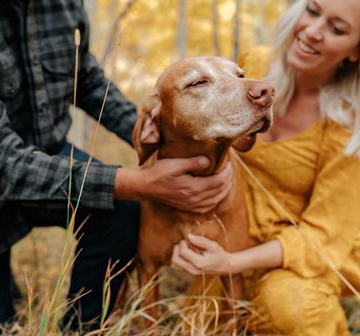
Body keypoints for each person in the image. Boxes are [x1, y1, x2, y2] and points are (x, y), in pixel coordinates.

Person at [0, 0, 233, 332]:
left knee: (122, 211)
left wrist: (156, 132)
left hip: (48, 151)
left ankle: (82, 325)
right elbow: (5, 165)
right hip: (6, 165)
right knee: (6, 324)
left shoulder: (64, 5)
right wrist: (138, 182)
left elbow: (89, 83)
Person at [171, 0, 360, 335]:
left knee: (287, 309)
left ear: (354, 51)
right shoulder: (252, 66)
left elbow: (322, 239)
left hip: (301, 259)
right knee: (198, 326)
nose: (313, 32)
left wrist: (230, 263)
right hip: (233, 236)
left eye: (336, 29)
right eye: (313, 11)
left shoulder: (350, 124)